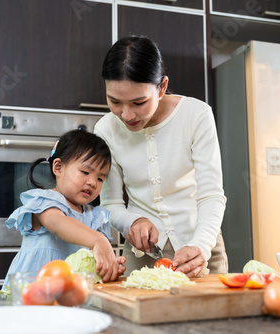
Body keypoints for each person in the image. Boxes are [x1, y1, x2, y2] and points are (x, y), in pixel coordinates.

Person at [94, 35, 228, 278]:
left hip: (200, 246)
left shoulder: (196, 115)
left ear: (162, 87)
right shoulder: (105, 129)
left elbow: (211, 194)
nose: (126, 115)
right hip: (141, 254)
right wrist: (132, 222)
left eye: (139, 102)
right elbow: (111, 204)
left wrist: (201, 246)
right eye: (114, 101)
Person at [3, 129, 126, 288]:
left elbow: (92, 259)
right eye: (85, 172)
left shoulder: (95, 217)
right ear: (58, 167)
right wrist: (98, 240)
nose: (93, 182)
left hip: (67, 296)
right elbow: (58, 224)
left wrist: (107, 266)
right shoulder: (44, 202)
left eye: (100, 178)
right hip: (30, 293)